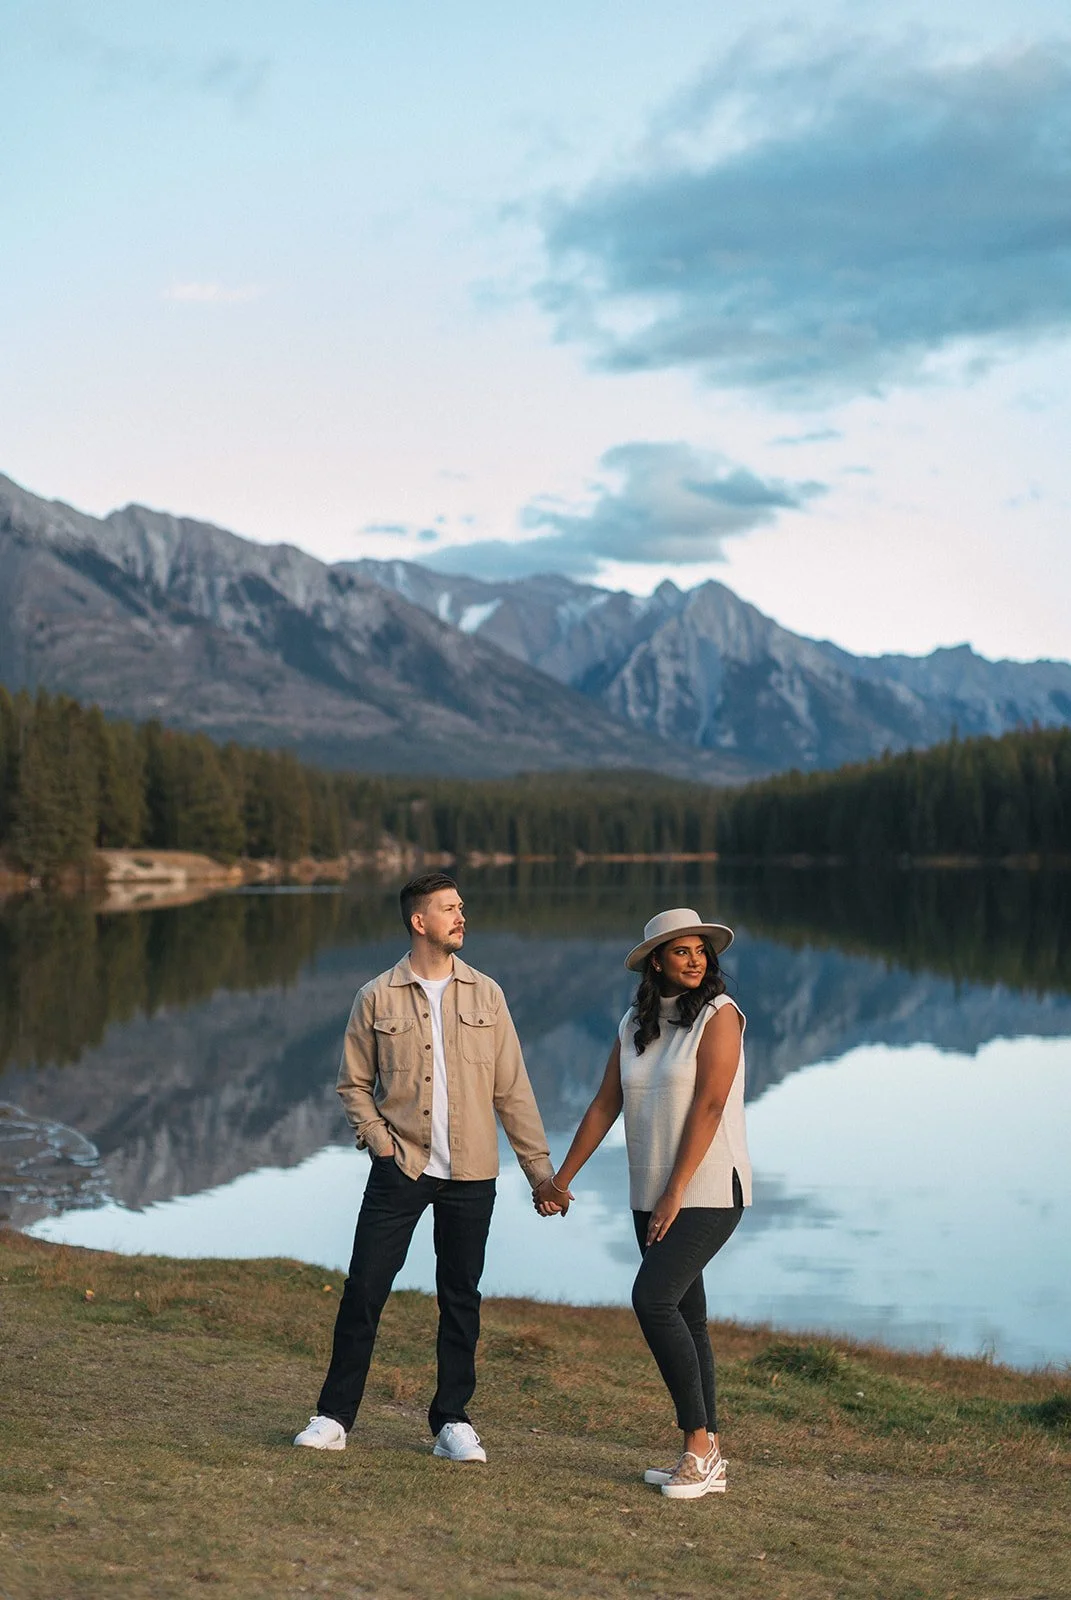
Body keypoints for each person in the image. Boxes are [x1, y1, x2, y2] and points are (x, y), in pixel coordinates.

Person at [294, 872, 554, 1463]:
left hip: (473, 1175)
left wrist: (539, 1171)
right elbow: (353, 1085)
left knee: (460, 1296)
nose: (462, 917)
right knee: (363, 1290)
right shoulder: (376, 997)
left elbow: (512, 1090)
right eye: (449, 909)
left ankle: (452, 1422)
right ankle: (334, 1417)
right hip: (400, 1169)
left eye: (462, 906)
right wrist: (380, 1143)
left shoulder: (487, 995)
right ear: (420, 922)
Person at [534, 907, 751, 1500]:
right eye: (681, 951)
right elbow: (606, 1104)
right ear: (656, 960)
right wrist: (561, 1179)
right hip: (649, 1189)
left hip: (706, 1189)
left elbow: (709, 1107)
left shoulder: (721, 1016)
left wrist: (676, 1192)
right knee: (687, 1315)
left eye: (701, 951)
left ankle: (700, 1446)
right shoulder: (636, 1022)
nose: (695, 960)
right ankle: (707, 1458)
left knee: (652, 1299)